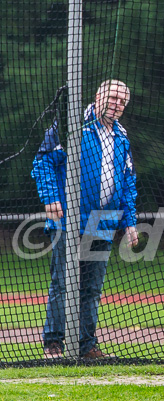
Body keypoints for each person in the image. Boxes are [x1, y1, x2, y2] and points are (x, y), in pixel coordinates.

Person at [31, 79, 139, 360]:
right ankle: (54, 344)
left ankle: (86, 345)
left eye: (123, 102)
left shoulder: (121, 136)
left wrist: (130, 222)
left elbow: (128, 182)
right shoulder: (73, 126)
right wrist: (51, 197)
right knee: (63, 283)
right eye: (113, 98)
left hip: (102, 220)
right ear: (99, 95)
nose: (118, 105)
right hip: (71, 217)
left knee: (91, 288)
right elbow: (42, 161)